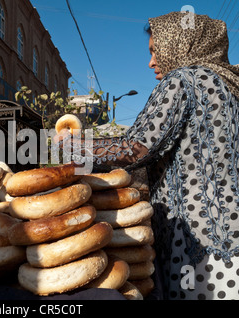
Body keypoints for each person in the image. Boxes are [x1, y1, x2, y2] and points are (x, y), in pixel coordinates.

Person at [70, 12, 239, 300]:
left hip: (197, 245)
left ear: (179, 44)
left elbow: (136, 148)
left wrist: (73, 146)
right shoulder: (226, 86)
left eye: (154, 51)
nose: (150, 63)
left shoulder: (184, 80)